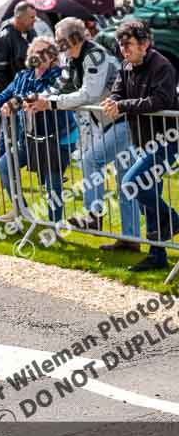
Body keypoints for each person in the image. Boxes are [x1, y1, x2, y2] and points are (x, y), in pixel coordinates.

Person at [27, 17, 138, 249]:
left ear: (73, 39)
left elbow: (89, 93)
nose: (57, 46)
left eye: (59, 40)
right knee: (125, 181)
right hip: (111, 122)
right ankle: (131, 240)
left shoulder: (94, 55)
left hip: (127, 120)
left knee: (91, 160)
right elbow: (62, 85)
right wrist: (43, 98)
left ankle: (93, 215)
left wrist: (52, 104)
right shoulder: (71, 58)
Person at [104, 21, 179, 271]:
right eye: (121, 45)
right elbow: (118, 91)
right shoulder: (126, 66)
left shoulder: (162, 66)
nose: (124, 50)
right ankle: (157, 256)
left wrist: (123, 105)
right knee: (149, 197)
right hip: (143, 140)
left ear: (145, 44)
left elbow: (160, 101)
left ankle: (174, 220)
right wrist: (113, 101)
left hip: (166, 140)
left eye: (128, 45)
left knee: (132, 184)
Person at [0, 36, 71, 223]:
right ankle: (20, 209)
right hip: (28, 139)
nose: (39, 56)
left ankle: (54, 224)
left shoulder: (59, 76)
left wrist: (15, 103)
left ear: (53, 56)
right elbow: (7, 92)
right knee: (3, 166)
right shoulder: (23, 75)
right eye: (35, 52)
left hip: (53, 138)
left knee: (52, 184)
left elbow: (45, 94)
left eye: (44, 52)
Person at [0, 2, 37, 94]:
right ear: (19, 17)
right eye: (31, 17)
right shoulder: (2, 38)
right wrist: (11, 96)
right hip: (11, 96)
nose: (35, 20)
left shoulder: (32, 34)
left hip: (28, 91)